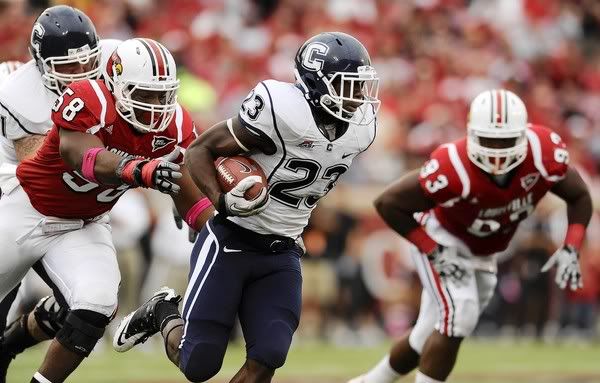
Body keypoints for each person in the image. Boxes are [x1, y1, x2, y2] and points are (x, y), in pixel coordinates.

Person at [113, 31, 380, 383]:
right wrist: (220, 200)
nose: (359, 97)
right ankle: (162, 311)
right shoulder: (281, 110)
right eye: (349, 86)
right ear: (317, 84)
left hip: (282, 249)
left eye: (361, 86)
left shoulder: (360, 130)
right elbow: (199, 152)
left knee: (268, 355)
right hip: (230, 239)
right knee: (199, 365)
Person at [0, 37, 214, 383]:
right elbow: (81, 156)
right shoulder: (89, 97)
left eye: (163, 95)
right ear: (114, 84)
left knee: (97, 302)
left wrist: (215, 228)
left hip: (82, 224)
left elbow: (189, 189)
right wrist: (139, 169)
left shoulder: (174, 123)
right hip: (25, 208)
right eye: (144, 94)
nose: (155, 106)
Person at [348, 89, 592, 383]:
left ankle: (368, 382)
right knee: (459, 316)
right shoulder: (454, 165)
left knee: (428, 332)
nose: (497, 153)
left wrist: (571, 247)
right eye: (489, 140)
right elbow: (388, 203)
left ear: (524, 135)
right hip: (445, 238)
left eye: (505, 141)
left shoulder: (543, 153)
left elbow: (579, 196)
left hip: (485, 251)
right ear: (471, 134)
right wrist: (433, 249)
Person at [0, 6, 121, 382]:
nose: (79, 75)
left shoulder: (119, 63)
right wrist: (131, 167)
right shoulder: (18, 94)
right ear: (40, 63)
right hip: (19, 193)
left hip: (79, 204)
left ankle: (16, 339)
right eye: (65, 67)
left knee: (91, 304)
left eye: (86, 64)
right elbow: (50, 174)